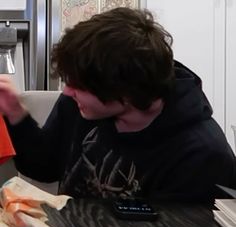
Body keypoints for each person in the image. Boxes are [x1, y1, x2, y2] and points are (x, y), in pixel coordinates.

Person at [0, 7, 235, 202]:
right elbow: (44, 166)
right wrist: (16, 113)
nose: (67, 91)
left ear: (125, 91)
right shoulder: (80, 106)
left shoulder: (202, 155)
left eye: (78, 85)